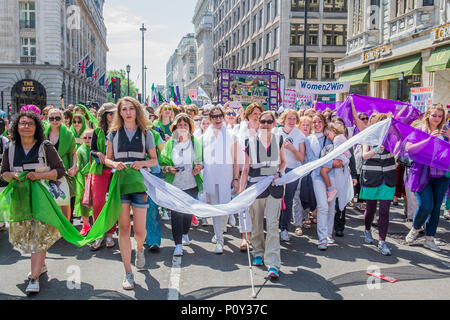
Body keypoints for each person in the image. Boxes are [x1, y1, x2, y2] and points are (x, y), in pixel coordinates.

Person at [1, 111, 66, 294]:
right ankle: (41, 265)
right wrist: (12, 175)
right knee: (29, 236)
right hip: (20, 200)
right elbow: (3, 174)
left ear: (37, 126)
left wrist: (39, 176)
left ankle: (34, 277)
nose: (26, 126)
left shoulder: (45, 146)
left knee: (39, 236)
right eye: (22, 123)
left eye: (30, 123)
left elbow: (60, 170)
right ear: (17, 126)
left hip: (42, 198)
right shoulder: (10, 147)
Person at [104, 97, 158, 290]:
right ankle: (128, 272)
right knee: (124, 228)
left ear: (137, 111)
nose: (127, 112)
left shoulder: (146, 133)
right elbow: (107, 159)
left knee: (140, 231)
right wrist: (113, 164)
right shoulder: (113, 134)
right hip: (119, 183)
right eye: (124, 109)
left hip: (138, 183)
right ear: (120, 112)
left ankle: (140, 248)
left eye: (131, 109)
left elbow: (154, 160)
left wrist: (142, 163)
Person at [240, 110, 286, 279]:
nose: (266, 124)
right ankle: (258, 252)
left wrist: (279, 173)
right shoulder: (249, 142)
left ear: (274, 124)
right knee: (257, 222)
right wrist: (241, 192)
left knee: (273, 224)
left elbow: (284, 162)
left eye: (269, 121)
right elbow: (246, 169)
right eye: (263, 121)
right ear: (258, 123)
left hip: (274, 187)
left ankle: (273, 263)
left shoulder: (279, 140)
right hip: (256, 187)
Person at [405, 104, 450, 252]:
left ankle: (429, 239)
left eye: (439, 116)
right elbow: (408, 149)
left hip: (441, 175)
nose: (437, 119)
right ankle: (415, 228)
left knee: (436, 208)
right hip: (421, 173)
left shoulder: (446, 131)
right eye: (434, 115)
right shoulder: (419, 130)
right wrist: (428, 140)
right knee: (426, 205)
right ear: (427, 115)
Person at [159, 113, 203, 257]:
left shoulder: (195, 142)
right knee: (177, 214)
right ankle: (178, 244)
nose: (182, 127)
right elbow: (163, 163)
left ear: (189, 127)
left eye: (185, 125)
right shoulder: (171, 143)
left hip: (191, 183)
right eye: (180, 125)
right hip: (175, 184)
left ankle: (185, 233)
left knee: (188, 213)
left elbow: (200, 161)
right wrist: (168, 168)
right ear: (175, 128)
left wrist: (198, 167)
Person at [353, 109, 396, 256]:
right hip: (371, 178)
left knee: (384, 211)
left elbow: (398, 153)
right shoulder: (368, 137)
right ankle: (367, 230)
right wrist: (376, 150)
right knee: (370, 209)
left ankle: (382, 241)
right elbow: (365, 155)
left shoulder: (393, 138)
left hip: (388, 179)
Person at [202, 106, 240, 254]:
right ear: (210, 119)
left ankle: (221, 230)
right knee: (216, 209)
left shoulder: (231, 135)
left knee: (224, 209)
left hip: (226, 178)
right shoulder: (204, 137)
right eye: (214, 117)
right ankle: (219, 240)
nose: (218, 119)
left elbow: (236, 160)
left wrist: (235, 178)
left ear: (223, 118)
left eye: (220, 116)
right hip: (211, 177)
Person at [309, 113, 345, 250]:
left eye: (319, 121)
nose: (316, 124)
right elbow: (312, 160)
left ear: (324, 123)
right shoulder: (308, 140)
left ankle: (329, 234)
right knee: (323, 206)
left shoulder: (331, 138)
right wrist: (331, 162)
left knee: (331, 207)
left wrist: (339, 164)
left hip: (334, 175)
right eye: (314, 122)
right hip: (318, 175)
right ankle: (322, 238)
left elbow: (341, 158)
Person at [88, 103, 117, 251]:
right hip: (99, 169)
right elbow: (91, 149)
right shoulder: (98, 131)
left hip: (114, 170)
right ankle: (99, 232)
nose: (113, 116)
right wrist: (97, 153)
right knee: (98, 202)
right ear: (105, 115)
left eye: (115, 113)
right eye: (110, 113)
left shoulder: (120, 130)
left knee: (112, 202)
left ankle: (111, 233)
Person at [235, 103, 263, 251]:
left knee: (258, 208)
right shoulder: (241, 129)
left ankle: (257, 236)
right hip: (244, 172)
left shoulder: (265, 130)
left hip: (260, 175)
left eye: (259, 113)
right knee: (244, 206)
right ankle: (245, 237)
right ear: (248, 115)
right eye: (253, 113)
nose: (256, 116)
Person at [275, 110, 305, 242]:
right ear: (283, 119)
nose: (292, 121)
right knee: (276, 200)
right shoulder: (276, 132)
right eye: (289, 118)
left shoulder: (299, 134)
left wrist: (292, 148)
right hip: (278, 170)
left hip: (292, 171)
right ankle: (273, 227)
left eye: (294, 119)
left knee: (288, 200)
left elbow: (301, 157)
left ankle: (285, 228)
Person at [45, 108, 77, 221]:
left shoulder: (68, 134)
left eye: (57, 118)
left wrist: (74, 166)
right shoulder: (43, 133)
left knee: (65, 196)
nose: (55, 121)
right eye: (51, 118)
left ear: (62, 119)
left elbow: (74, 153)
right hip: (47, 169)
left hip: (64, 168)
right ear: (48, 119)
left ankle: (67, 222)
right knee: (50, 197)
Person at [320, 122, 351, 202]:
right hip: (344, 159)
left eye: (328, 135)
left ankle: (332, 190)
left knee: (323, 171)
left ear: (332, 131)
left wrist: (329, 158)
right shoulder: (341, 137)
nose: (328, 138)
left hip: (342, 159)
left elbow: (337, 152)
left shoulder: (337, 139)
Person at [74, 129, 93, 236]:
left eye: (90, 137)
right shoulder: (80, 150)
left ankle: (96, 226)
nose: (87, 140)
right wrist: (74, 169)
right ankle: (85, 225)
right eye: (85, 137)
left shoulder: (98, 149)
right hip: (84, 180)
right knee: (84, 202)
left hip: (96, 179)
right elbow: (78, 163)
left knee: (96, 203)